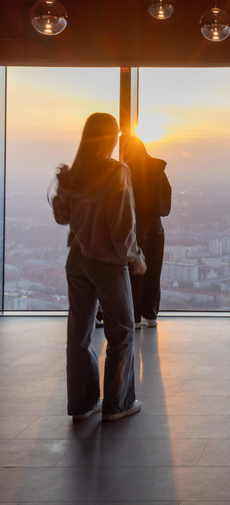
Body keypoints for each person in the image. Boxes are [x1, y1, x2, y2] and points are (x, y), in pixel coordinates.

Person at [51, 113, 145, 421]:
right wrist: (134, 256)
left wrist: (62, 187)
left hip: (77, 258)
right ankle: (117, 404)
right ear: (110, 138)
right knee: (121, 332)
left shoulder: (74, 174)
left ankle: (82, 404)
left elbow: (62, 217)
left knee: (78, 333)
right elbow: (122, 224)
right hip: (107, 261)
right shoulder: (117, 171)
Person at [123, 136, 171, 329]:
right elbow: (166, 201)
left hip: (136, 226)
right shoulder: (158, 169)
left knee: (135, 272)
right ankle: (151, 316)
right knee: (153, 271)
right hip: (156, 226)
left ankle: (134, 318)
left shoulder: (126, 169)